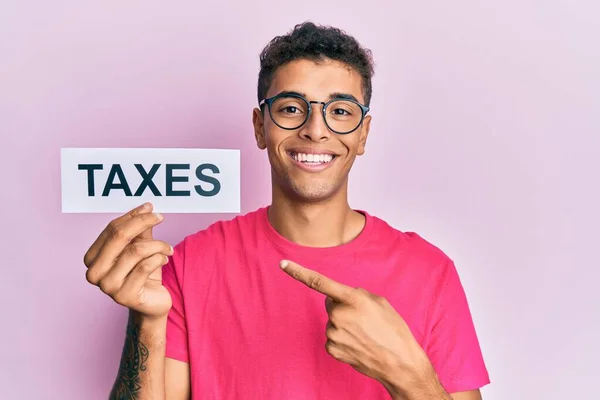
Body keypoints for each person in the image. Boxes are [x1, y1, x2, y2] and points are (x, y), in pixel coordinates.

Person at [84, 22, 490, 400]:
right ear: (261, 127)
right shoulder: (189, 264)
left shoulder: (430, 273)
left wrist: (408, 376)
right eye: (292, 108)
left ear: (363, 134)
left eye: (341, 111)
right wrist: (146, 321)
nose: (316, 129)